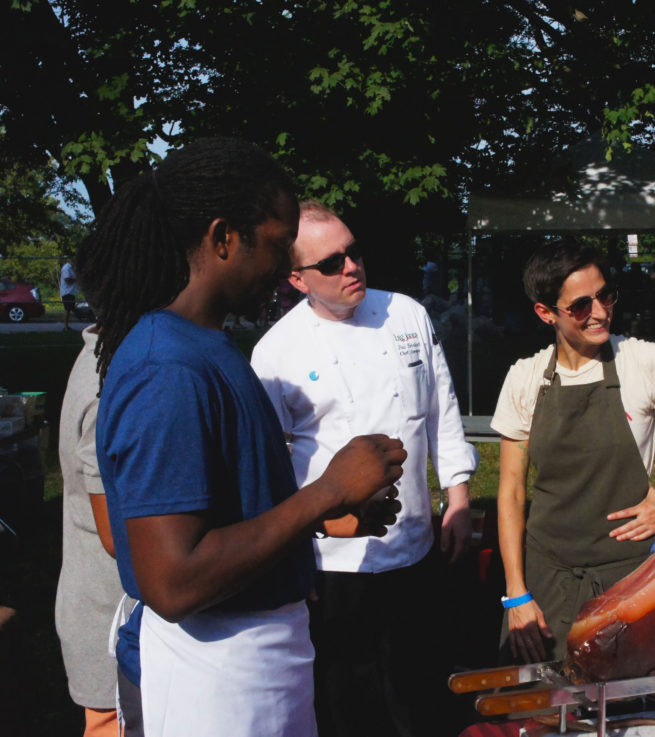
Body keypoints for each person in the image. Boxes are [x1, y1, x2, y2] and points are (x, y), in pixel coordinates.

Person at [75, 137, 406, 737]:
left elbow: (216, 515)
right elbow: (173, 579)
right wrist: (325, 493)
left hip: (256, 655)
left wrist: (320, 520)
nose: (286, 269)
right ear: (223, 237)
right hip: (218, 671)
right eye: (279, 246)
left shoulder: (206, 347)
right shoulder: (166, 369)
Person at [250, 201, 478, 737]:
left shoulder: (406, 314)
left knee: (421, 693)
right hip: (333, 563)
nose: (350, 267)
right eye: (330, 263)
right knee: (347, 700)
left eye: (353, 252)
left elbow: (441, 409)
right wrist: (291, 558)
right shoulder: (275, 353)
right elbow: (271, 468)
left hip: (418, 543)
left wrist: (460, 497)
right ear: (297, 278)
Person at [491, 241, 655, 663]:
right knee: (543, 713)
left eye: (605, 295)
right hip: (547, 582)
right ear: (546, 313)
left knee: (629, 713)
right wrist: (517, 594)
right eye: (581, 305)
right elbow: (511, 493)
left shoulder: (643, 361)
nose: (601, 312)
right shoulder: (525, 377)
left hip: (630, 581)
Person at [55, 325, 134, 737]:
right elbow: (117, 535)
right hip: (110, 622)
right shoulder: (112, 376)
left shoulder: (103, 353)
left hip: (106, 611)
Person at [60, 257, 77, 330]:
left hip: (71, 291)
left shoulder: (71, 268)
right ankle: (65, 326)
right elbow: (67, 280)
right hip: (67, 292)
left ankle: (66, 325)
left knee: (69, 309)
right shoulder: (66, 268)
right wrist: (76, 278)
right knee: (67, 309)